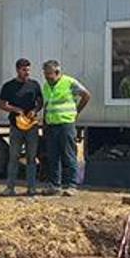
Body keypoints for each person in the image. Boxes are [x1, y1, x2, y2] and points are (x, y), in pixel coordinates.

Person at [41, 59, 90, 196]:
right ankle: (54, 185)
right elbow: (47, 105)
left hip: (65, 125)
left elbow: (86, 95)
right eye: (45, 74)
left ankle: (71, 185)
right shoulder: (46, 86)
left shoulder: (69, 82)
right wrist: (44, 122)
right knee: (53, 156)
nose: (47, 77)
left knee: (68, 155)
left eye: (49, 74)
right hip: (51, 125)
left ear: (57, 72)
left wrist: (76, 112)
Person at [0, 58, 43, 196]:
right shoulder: (9, 86)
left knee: (31, 157)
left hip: (31, 126)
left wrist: (35, 110)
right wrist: (15, 109)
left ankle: (31, 187)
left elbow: (40, 102)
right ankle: (10, 187)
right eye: (24, 70)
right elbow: (2, 104)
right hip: (16, 126)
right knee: (14, 157)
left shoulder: (34, 85)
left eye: (28, 69)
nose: (27, 72)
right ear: (18, 70)